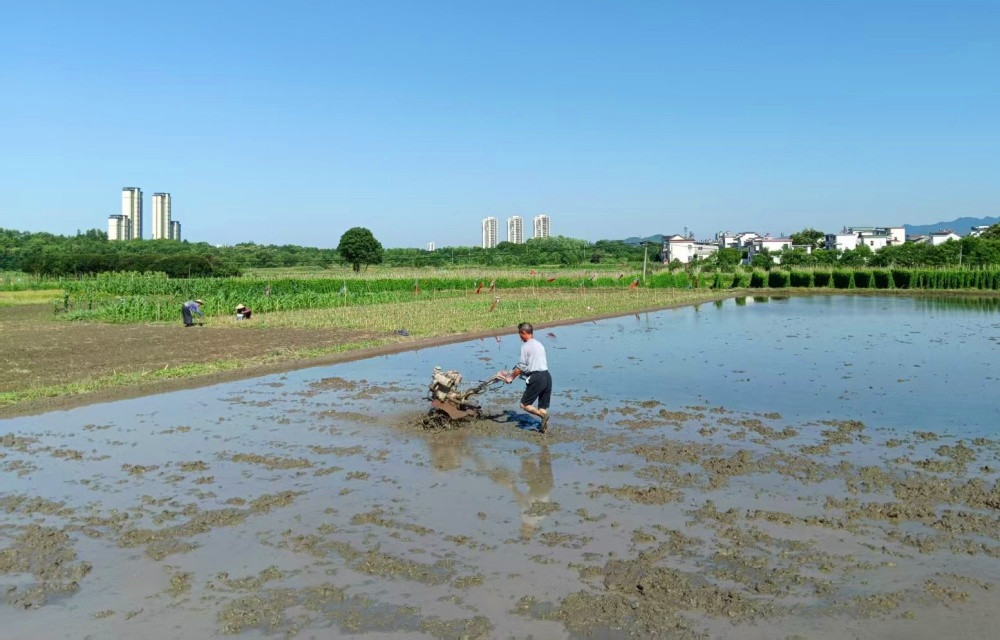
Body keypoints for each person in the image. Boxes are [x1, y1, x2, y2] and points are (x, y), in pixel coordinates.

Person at [502, 322, 552, 432]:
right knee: (542, 407)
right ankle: (544, 429)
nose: (520, 338)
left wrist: (511, 377)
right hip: (547, 376)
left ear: (524, 333)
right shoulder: (539, 344)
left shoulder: (525, 346)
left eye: (520, 335)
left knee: (524, 404)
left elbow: (520, 367)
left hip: (537, 377)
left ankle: (542, 417)